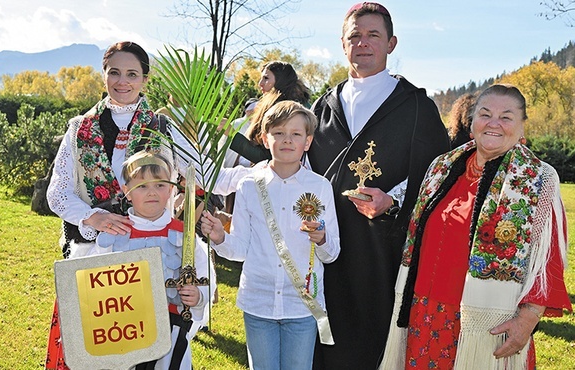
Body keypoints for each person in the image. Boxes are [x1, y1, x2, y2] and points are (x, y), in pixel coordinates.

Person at [379, 83, 572, 369]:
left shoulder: (538, 180)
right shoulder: (442, 168)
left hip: (486, 323)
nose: (494, 123)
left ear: (522, 130)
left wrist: (527, 320)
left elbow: (548, 261)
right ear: (472, 124)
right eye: (485, 114)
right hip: (424, 313)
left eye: (506, 117)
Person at [307, 3, 451, 369]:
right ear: (343, 44)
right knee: (325, 342)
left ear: (391, 43)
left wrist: (394, 200)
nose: (363, 43)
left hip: (381, 249)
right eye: (355, 36)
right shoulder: (322, 107)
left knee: (374, 343)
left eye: (373, 35)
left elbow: (437, 174)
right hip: (326, 245)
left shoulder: (416, 105)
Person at [45, 41, 178, 369]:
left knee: (139, 351)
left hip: (147, 255)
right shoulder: (79, 128)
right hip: (92, 255)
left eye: (132, 74)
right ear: (103, 75)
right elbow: (58, 193)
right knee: (91, 351)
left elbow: (191, 181)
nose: (123, 81)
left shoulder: (162, 130)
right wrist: (95, 217)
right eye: (114, 72)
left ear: (145, 79)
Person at [200, 101, 341, 370]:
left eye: (296, 134)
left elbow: (332, 253)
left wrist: (321, 239)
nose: (287, 140)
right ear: (265, 139)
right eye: (278, 132)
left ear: (308, 142)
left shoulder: (320, 187)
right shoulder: (249, 185)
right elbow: (240, 249)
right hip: (258, 302)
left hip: (301, 304)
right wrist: (220, 238)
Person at [88, 150, 215, 370]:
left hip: (172, 328)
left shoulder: (184, 236)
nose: (152, 193)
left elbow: (205, 275)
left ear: (171, 190)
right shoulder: (113, 234)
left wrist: (199, 295)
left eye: (160, 185)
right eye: (142, 186)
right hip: (123, 331)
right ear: (127, 191)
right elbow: (92, 282)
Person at [229, 61, 312, 164]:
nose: (260, 83)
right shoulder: (300, 107)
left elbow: (266, 157)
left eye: (266, 78)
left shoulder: (285, 112)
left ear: (280, 81)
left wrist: (231, 134)